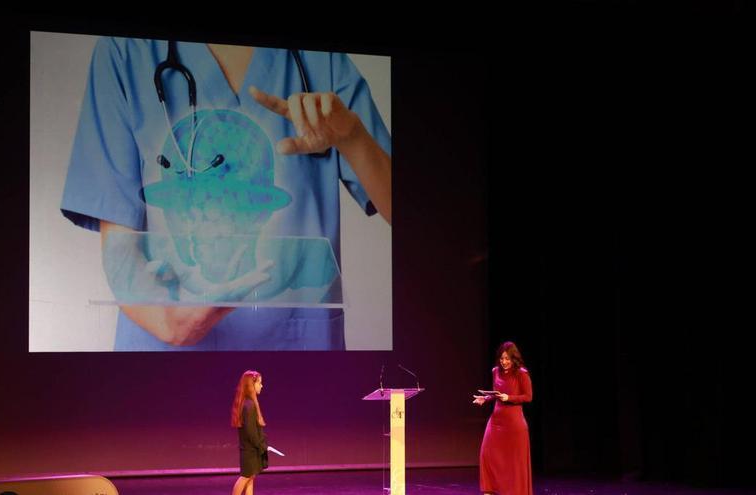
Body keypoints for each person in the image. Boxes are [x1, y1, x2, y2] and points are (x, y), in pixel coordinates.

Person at [60, 38, 391, 351]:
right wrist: (168, 321)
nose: (203, 220)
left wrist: (354, 138)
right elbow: (119, 247)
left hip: (296, 349)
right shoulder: (125, 51)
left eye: (229, 203)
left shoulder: (321, 60)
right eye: (188, 206)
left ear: (261, 210)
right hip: (164, 351)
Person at [473, 341, 533, 495]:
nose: (504, 362)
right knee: (487, 455)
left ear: (513, 358)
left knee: (513, 464)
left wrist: (509, 397)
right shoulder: (496, 371)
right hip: (496, 421)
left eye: (507, 359)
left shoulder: (521, 373)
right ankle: (490, 490)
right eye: (501, 358)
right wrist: (485, 399)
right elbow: (497, 394)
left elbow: (528, 397)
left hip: (514, 424)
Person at [230, 370, 267, 495]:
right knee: (245, 477)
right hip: (249, 450)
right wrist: (261, 446)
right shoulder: (249, 406)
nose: (262, 386)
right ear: (251, 385)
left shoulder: (248, 404)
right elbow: (251, 432)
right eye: (259, 383)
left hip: (250, 449)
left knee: (250, 477)